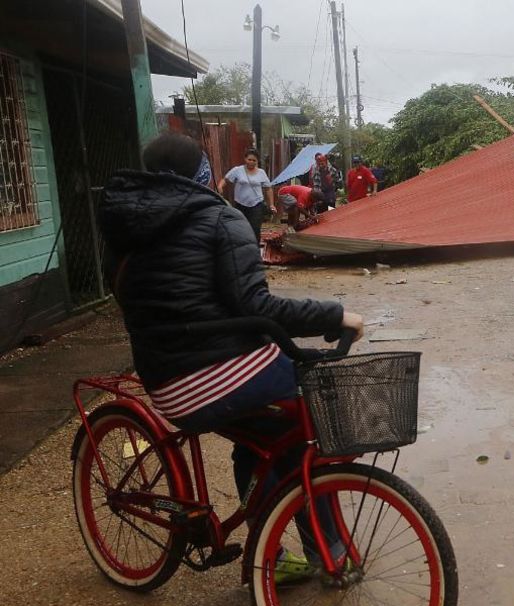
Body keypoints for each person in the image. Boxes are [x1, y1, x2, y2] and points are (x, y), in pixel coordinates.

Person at [97, 132, 364, 582]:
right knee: (309, 422)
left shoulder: (122, 229)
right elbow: (256, 307)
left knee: (258, 441)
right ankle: (330, 554)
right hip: (219, 379)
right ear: (204, 174)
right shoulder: (222, 219)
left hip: (165, 385)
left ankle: (269, 553)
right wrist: (337, 315)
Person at [217, 148, 275, 243]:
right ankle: (242, 247)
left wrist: (271, 204)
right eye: (249, 159)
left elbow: (268, 188)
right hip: (240, 204)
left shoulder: (261, 173)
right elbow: (225, 180)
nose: (251, 162)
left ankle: (254, 249)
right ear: (245, 159)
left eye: (254, 160)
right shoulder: (237, 170)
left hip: (256, 205)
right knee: (240, 228)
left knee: (255, 228)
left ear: (257, 161)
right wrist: (220, 186)